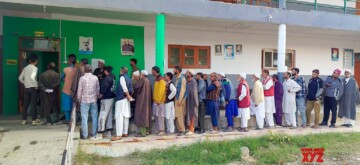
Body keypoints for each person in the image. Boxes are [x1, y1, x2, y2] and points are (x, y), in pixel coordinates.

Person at [19, 54, 43, 125]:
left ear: (29, 60)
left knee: (26, 104)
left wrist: (26, 83)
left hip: (26, 88)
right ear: (36, 61)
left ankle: (24, 120)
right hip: (33, 89)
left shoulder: (25, 68)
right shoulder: (34, 68)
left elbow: (20, 78)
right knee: (33, 104)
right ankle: (34, 120)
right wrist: (36, 85)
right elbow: (32, 77)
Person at [77, 64, 100, 140]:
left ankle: (85, 135)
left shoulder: (82, 78)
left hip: (84, 100)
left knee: (84, 117)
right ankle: (94, 133)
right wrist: (96, 96)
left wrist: (79, 99)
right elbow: (98, 89)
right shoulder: (95, 78)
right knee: (94, 117)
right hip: (93, 100)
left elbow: (79, 90)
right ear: (91, 70)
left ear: (84, 70)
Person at [111, 67, 134, 141]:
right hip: (126, 99)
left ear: (121, 71)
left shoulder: (122, 78)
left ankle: (119, 134)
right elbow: (131, 89)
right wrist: (129, 97)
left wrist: (128, 96)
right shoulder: (129, 78)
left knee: (119, 116)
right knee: (125, 115)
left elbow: (125, 88)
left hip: (121, 98)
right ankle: (125, 132)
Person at [93, 66, 116, 139]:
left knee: (102, 115)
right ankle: (109, 132)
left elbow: (104, 89)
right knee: (109, 115)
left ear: (105, 71)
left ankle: (100, 133)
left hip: (106, 99)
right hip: (111, 98)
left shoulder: (106, 79)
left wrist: (99, 96)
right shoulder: (113, 77)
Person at [133, 70, 152, 137]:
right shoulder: (148, 81)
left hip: (142, 101)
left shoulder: (142, 80)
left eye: (140, 74)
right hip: (147, 101)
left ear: (143, 75)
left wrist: (135, 79)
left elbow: (136, 87)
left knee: (141, 116)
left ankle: (143, 133)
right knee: (146, 116)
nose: (140, 75)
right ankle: (147, 131)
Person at [61, 54, 78, 124]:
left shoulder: (65, 69)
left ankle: (68, 120)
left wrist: (64, 79)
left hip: (66, 90)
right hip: (75, 91)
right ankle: (74, 120)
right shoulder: (77, 70)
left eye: (68, 60)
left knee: (66, 106)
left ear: (70, 61)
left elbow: (61, 78)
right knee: (74, 106)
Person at [173, 65, 188, 136]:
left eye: (174, 69)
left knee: (180, 115)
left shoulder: (182, 79)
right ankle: (179, 129)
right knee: (177, 115)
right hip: (176, 98)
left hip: (180, 99)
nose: (173, 71)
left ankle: (182, 130)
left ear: (178, 70)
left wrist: (179, 100)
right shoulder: (176, 78)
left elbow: (183, 90)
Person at [152, 66, 167, 136]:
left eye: (152, 71)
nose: (152, 72)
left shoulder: (161, 80)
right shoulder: (157, 79)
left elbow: (161, 91)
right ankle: (158, 129)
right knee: (156, 116)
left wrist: (158, 100)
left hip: (159, 102)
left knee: (160, 116)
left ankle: (162, 130)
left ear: (155, 71)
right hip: (156, 101)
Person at [185, 70, 199, 135]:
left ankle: (192, 129)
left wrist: (196, 102)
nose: (186, 73)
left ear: (190, 74)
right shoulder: (187, 81)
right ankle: (189, 128)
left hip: (192, 101)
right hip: (188, 100)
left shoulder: (193, 82)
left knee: (192, 114)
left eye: (187, 72)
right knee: (188, 115)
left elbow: (194, 92)